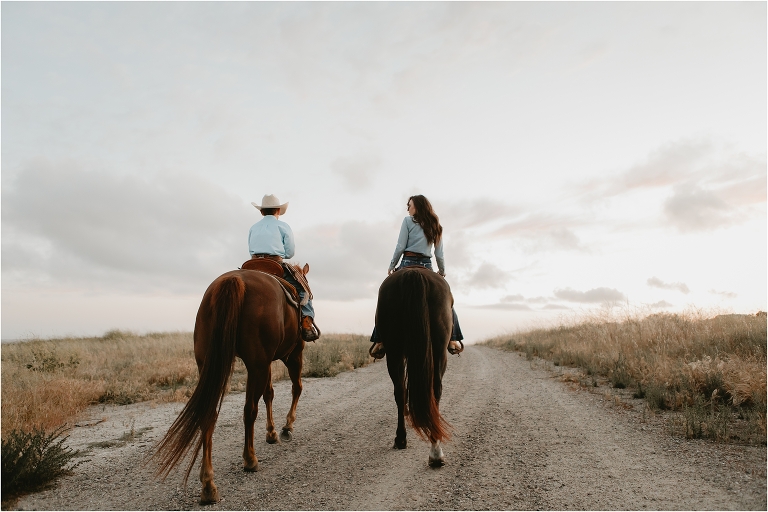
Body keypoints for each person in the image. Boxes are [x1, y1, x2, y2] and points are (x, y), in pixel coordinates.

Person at [370, 195, 463, 358]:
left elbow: (400, 246)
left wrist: (392, 265)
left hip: (407, 262)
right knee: (447, 300)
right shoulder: (436, 225)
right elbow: (439, 253)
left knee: (385, 298)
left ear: (418, 207)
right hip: (427, 264)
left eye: (410, 205)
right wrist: (441, 271)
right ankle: (452, 339)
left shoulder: (408, 221)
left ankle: (379, 340)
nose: (408, 209)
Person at [249, 194, 319, 342]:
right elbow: (290, 252)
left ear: (261, 212)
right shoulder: (283, 226)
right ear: (278, 211)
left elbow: (251, 249)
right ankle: (306, 324)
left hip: (252, 265)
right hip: (274, 264)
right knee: (302, 289)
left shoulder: (253, 227)